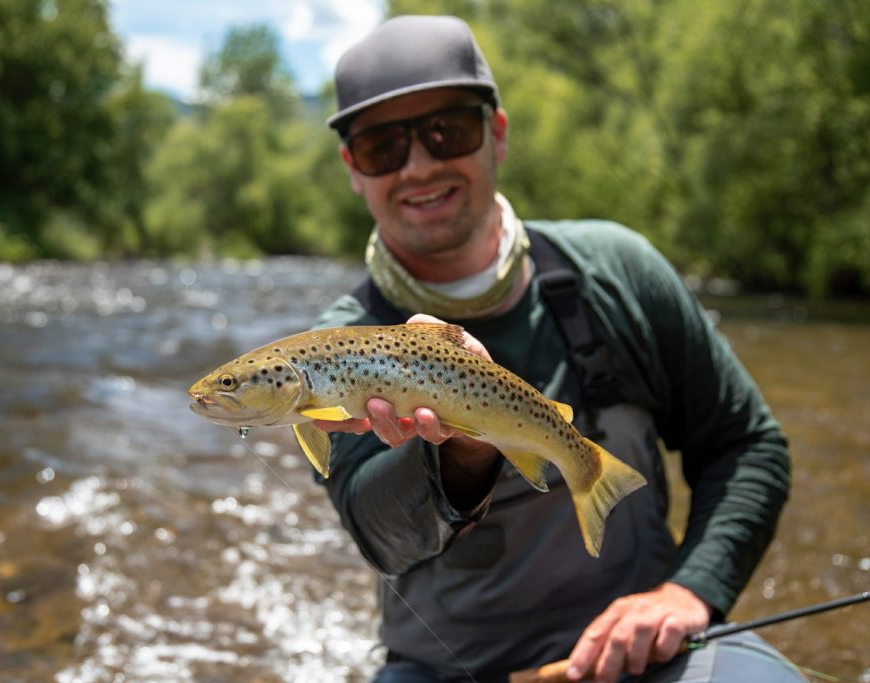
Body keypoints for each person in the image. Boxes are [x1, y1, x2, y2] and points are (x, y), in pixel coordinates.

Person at [310, 14, 801, 683]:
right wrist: (466, 448)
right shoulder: (329, 352)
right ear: (352, 168)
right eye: (381, 145)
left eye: (447, 130)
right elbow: (382, 537)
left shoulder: (618, 273)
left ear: (497, 134)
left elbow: (748, 445)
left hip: (644, 658)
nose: (418, 165)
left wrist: (691, 590)